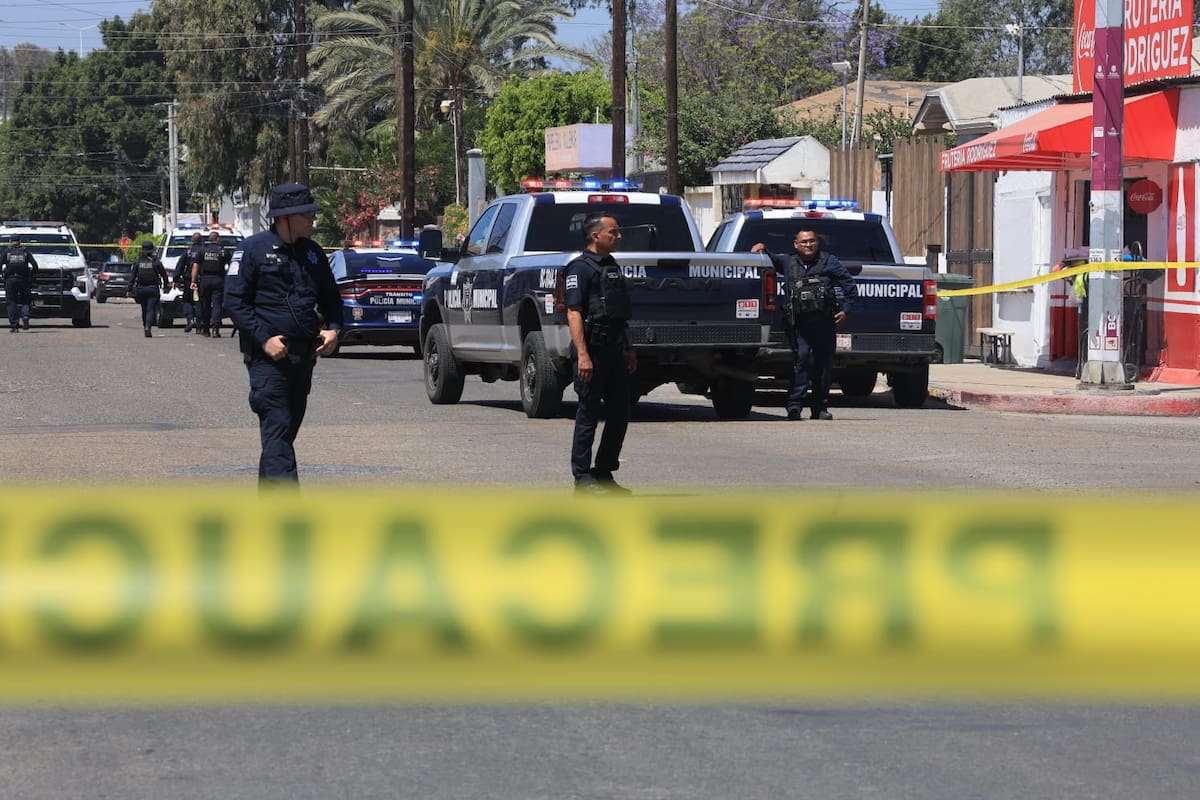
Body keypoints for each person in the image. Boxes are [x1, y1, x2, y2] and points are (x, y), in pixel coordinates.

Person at [223, 182, 343, 485]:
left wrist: (334, 329)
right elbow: (234, 301)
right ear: (285, 217)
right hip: (268, 362)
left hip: (304, 359)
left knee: (282, 437)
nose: (312, 220)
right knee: (278, 432)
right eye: (306, 215)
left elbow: (331, 298)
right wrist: (264, 338)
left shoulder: (313, 254)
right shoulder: (252, 250)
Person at [564, 213, 637, 495]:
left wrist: (629, 348)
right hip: (592, 351)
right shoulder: (580, 269)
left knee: (620, 413)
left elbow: (618, 313)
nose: (619, 237)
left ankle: (604, 472)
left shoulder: (612, 266)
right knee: (588, 414)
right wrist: (583, 354)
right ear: (596, 236)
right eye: (613, 232)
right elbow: (574, 313)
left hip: (615, 350)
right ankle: (582, 478)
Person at [752, 228, 856, 420]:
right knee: (800, 364)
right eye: (804, 242)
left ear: (817, 242)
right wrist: (762, 248)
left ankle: (820, 408)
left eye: (812, 241)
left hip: (824, 324)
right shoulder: (788, 262)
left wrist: (845, 310)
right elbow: (771, 259)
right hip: (799, 326)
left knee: (823, 367)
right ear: (796, 244)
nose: (809, 245)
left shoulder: (829, 262)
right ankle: (794, 407)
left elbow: (850, 285)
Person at [128, 240, 169, 337]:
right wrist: (166, 286)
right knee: (151, 309)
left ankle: (145, 326)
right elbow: (164, 275)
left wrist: (129, 290)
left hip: (141, 289)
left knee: (144, 309)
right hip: (153, 288)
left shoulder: (138, 262)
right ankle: (148, 327)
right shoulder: (156, 262)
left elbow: (132, 277)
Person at [193, 230, 230, 337]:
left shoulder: (203, 250)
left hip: (205, 280)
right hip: (218, 279)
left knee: (205, 305)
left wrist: (193, 281)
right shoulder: (223, 251)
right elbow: (232, 265)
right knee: (217, 304)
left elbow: (195, 266)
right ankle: (215, 329)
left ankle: (205, 329)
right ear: (217, 239)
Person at [2, 235, 38, 332]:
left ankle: (14, 326)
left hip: (10, 280)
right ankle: (25, 316)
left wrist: (3, 275)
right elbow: (35, 266)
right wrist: (31, 275)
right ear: (20, 241)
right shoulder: (25, 252)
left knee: (11, 302)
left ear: (10, 241)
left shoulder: (7, 252)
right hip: (23, 280)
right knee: (26, 300)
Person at [176, 231, 205, 333]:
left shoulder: (188, 252)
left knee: (187, 301)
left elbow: (180, 266)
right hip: (202, 280)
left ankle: (190, 319)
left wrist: (176, 279)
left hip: (189, 281)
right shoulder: (204, 250)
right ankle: (199, 324)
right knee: (199, 302)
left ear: (192, 240)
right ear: (201, 240)